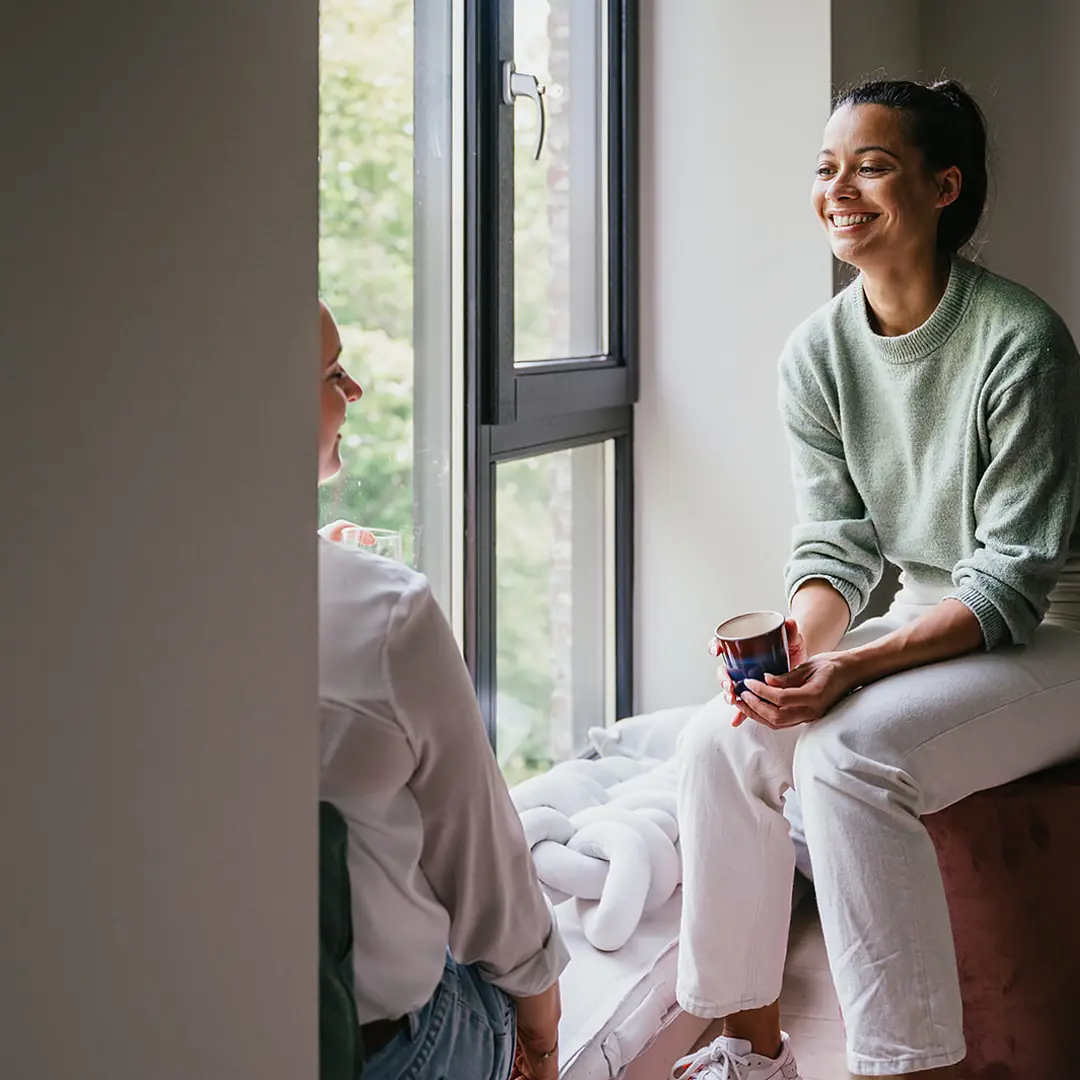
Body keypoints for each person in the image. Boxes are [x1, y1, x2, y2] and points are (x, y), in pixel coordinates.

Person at [671, 79, 1080, 1080]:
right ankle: (749, 1050)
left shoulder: (1020, 342)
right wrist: (802, 645)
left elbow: (1011, 583)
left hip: (1057, 634)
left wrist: (856, 674)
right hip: (932, 617)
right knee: (718, 741)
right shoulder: (816, 354)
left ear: (944, 188)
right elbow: (837, 547)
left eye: (872, 164)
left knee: (846, 757)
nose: (839, 188)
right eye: (825, 167)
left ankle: (909, 1067)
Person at [316, 301, 568, 1080]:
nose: (352, 391)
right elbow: (485, 866)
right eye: (331, 373)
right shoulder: (388, 612)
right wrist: (542, 1027)